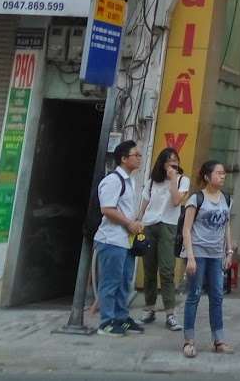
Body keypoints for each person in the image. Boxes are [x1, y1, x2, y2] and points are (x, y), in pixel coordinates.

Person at [180, 159, 236, 358]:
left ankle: (218, 340)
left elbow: (226, 226)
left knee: (217, 296)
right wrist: (190, 257)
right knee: (194, 295)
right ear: (207, 176)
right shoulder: (196, 199)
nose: (222, 176)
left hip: (216, 255)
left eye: (223, 173)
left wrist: (229, 252)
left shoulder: (226, 199)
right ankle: (189, 341)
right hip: (198, 253)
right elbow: (186, 230)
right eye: (218, 173)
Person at [93, 140, 144, 337]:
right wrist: (129, 223)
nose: (139, 158)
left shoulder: (130, 181)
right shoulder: (113, 181)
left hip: (126, 240)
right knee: (110, 282)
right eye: (135, 155)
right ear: (123, 158)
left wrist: (135, 223)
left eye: (140, 155)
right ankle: (106, 321)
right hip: (112, 239)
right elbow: (107, 209)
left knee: (124, 282)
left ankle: (121, 318)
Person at [137, 147, 189, 331]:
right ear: (162, 163)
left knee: (167, 269)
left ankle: (170, 314)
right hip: (149, 225)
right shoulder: (152, 181)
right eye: (169, 160)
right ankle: (149, 308)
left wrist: (173, 179)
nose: (173, 163)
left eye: (176, 160)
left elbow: (176, 201)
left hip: (168, 226)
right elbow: (145, 203)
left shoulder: (182, 180)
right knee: (149, 268)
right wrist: (139, 220)